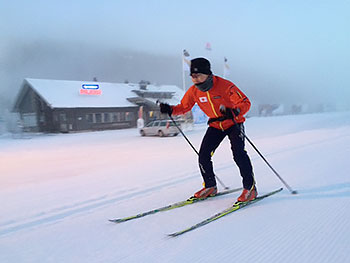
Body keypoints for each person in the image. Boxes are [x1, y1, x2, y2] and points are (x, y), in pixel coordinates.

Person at [159, 57, 257, 203]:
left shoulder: (225, 86)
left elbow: (245, 102)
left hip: (233, 123)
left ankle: (250, 188)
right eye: (193, 76)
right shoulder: (193, 91)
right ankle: (210, 186)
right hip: (215, 125)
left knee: (238, 154)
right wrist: (170, 109)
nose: (196, 80)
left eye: (199, 76)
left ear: (208, 74)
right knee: (203, 155)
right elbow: (184, 107)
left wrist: (235, 111)